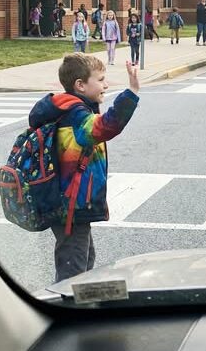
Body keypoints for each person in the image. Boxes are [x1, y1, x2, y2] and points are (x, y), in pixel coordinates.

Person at [28, 53, 139, 282]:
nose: (105, 85)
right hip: (71, 204)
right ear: (80, 85)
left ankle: (79, 298)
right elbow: (103, 128)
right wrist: (132, 92)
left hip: (70, 202)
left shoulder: (71, 108)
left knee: (84, 259)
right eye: (100, 79)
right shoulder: (75, 113)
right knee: (74, 271)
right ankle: (68, 302)